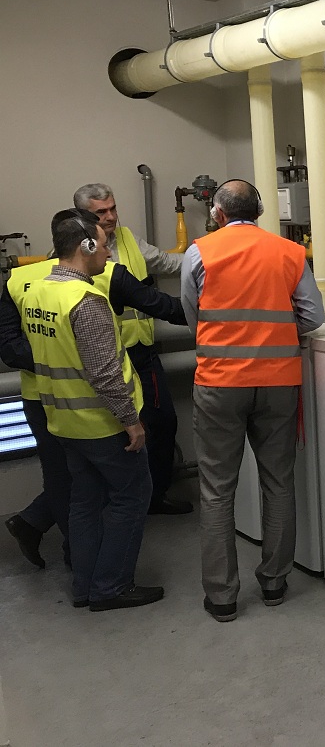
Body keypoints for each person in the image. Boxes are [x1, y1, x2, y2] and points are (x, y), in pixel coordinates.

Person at [181, 180, 323, 622]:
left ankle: (222, 597)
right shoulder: (290, 252)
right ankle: (275, 583)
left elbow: (193, 315)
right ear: (259, 212)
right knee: (278, 482)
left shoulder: (200, 253)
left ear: (218, 213)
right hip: (278, 381)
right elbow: (313, 315)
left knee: (216, 489)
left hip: (220, 382)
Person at [16, 209, 163, 611]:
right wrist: (131, 422)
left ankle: (84, 585)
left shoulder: (38, 292)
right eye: (102, 244)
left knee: (83, 502)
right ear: (85, 246)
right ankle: (111, 586)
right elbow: (104, 372)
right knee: (132, 497)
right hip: (103, 424)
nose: (108, 253)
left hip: (63, 420)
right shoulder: (86, 300)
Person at [1, 251, 187, 570]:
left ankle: (75, 560)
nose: (107, 248)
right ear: (84, 243)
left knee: (71, 484)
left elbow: (9, 347)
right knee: (106, 487)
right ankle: (93, 571)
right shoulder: (106, 273)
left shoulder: (20, 280)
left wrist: (51, 360)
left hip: (44, 399)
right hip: (94, 404)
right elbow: (166, 307)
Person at [74, 183, 191, 515]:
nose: (111, 216)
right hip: (104, 357)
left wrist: (212, 257)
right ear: (83, 216)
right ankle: (119, 503)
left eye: (113, 208)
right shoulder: (73, 251)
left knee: (162, 423)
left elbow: (167, 263)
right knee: (113, 435)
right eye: (101, 212)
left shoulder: (127, 238)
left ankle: (155, 496)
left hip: (141, 351)